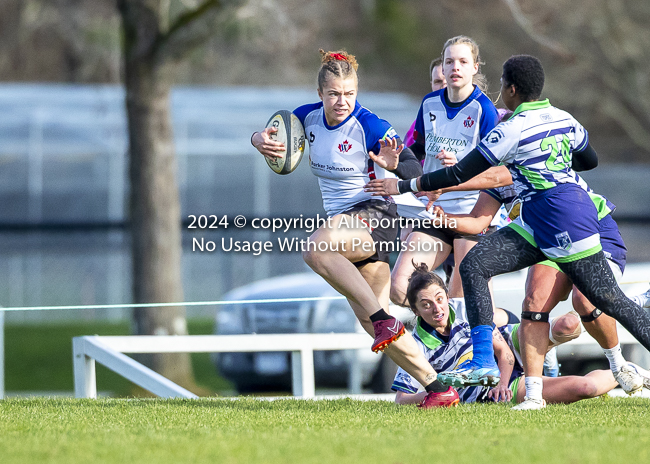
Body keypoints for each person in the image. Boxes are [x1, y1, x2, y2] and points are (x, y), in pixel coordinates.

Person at [364, 54, 650, 410]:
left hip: (565, 216)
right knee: (477, 265)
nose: (500, 91)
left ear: (512, 89)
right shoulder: (565, 118)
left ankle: (628, 336)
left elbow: (459, 174)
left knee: (603, 301)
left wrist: (404, 184)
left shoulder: (510, 129)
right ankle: (487, 363)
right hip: (537, 219)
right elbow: (588, 160)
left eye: (502, 85)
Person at [251, 49, 457, 407]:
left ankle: (383, 321)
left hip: (374, 213)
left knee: (316, 249)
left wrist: (399, 167)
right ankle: (439, 388)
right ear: (320, 94)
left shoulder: (370, 124)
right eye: (334, 94)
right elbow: (271, 134)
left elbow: (410, 165)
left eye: (349, 93)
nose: (342, 101)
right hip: (344, 227)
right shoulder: (305, 119)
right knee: (369, 318)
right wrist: (259, 140)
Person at [432, 182, 648, 397]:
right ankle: (533, 396)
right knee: (534, 303)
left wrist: (439, 183)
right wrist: (442, 216)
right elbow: (479, 220)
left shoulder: (519, 158)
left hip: (589, 229)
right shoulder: (494, 172)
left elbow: (585, 157)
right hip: (547, 239)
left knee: (585, 300)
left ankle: (619, 364)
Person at [392, 264, 647, 407]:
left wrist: (500, 382)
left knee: (567, 325)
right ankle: (629, 371)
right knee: (585, 387)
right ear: (414, 310)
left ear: (447, 296)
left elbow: (504, 354)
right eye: (426, 305)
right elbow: (401, 399)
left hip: (506, 354)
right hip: (492, 391)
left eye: (439, 299)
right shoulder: (415, 345)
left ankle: (618, 305)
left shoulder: (462, 310)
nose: (437, 309)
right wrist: (444, 389)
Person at [390, 35, 503, 306]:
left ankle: (501, 331)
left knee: (463, 301)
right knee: (399, 290)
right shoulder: (430, 104)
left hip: (470, 216)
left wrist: (463, 165)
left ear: (475, 67)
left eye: (463, 61)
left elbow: (496, 172)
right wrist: (397, 164)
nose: (455, 67)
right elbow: (415, 150)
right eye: (449, 61)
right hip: (433, 213)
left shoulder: (484, 110)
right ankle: (446, 330)